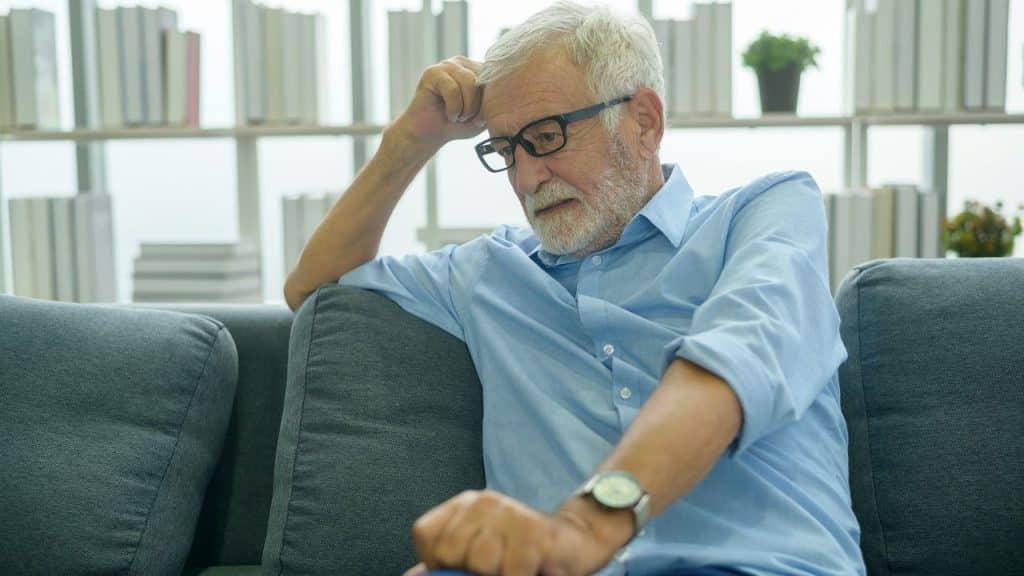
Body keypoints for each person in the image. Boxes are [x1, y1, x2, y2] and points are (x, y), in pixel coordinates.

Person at [284, 2, 864, 575]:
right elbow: (313, 286)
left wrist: (583, 528)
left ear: (644, 122)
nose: (524, 177)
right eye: (505, 150)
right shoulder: (487, 271)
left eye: (546, 136)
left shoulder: (765, 212)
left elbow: (736, 360)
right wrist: (410, 139)